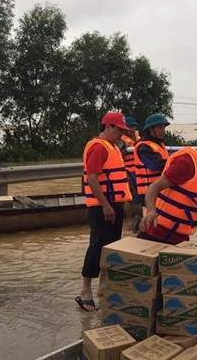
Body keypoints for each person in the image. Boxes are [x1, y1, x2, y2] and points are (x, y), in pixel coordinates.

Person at [76, 112, 132, 311]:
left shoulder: (112, 147)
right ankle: (86, 291)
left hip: (113, 205)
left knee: (111, 247)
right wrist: (106, 206)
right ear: (108, 127)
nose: (121, 135)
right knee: (97, 246)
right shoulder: (98, 147)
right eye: (119, 130)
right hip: (101, 207)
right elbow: (92, 178)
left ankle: (103, 286)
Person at [139, 127, 197, 245]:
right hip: (156, 233)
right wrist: (151, 211)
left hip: (180, 238)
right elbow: (154, 187)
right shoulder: (186, 163)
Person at [134, 114, 170, 206]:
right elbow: (157, 165)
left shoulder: (159, 144)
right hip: (148, 192)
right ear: (150, 129)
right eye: (160, 128)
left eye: (163, 128)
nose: (163, 131)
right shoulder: (143, 147)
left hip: (159, 189)